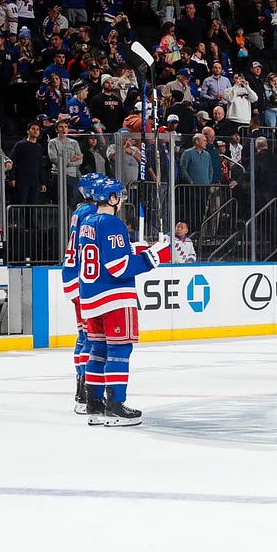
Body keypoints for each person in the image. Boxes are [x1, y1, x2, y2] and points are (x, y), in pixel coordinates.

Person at [75, 177, 171, 427]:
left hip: (90, 297)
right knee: (119, 350)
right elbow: (119, 267)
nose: (121, 198)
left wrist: (140, 248)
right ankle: (115, 405)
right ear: (111, 198)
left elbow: (111, 253)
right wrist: (154, 257)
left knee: (97, 350)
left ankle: (94, 404)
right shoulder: (112, 223)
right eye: (118, 194)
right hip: (114, 298)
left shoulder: (87, 222)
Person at [61, 173, 104, 415]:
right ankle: (86, 390)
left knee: (83, 334)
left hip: (72, 273)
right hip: (83, 276)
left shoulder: (79, 210)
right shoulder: (91, 213)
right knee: (91, 336)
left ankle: (81, 389)